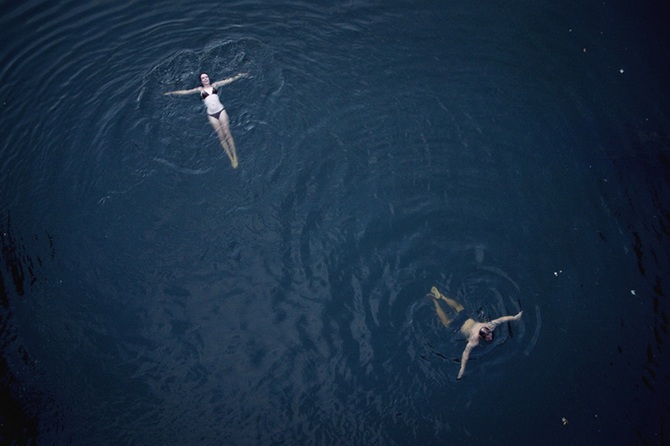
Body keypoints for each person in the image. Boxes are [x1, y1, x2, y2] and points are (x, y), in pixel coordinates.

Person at [428, 286, 522, 380]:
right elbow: (465, 355)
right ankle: (435, 301)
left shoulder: (490, 326)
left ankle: (442, 297)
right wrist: (462, 369)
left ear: (487, 329)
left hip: (464, 317)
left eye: (489, 335)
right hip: (457, 326)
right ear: (481, 336)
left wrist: (514, 317)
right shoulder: (474, 339)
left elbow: (502, 319)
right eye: (488, 337)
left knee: (458, 307)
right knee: (446, 322)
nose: (490, 337)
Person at [165, 72, 248, 168]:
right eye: (203, 78)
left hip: (221, 111)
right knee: (221, 136)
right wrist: (171, 93)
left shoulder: (215, 85)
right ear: (201, 81)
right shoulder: (200, 90)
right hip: (211, 115)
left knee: (227, 133)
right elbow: (186, 92)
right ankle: (230, 158)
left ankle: (235, 156)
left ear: (209, 78)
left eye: (206, 77)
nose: (205, 79)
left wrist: (240, 75)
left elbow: (228, 80)